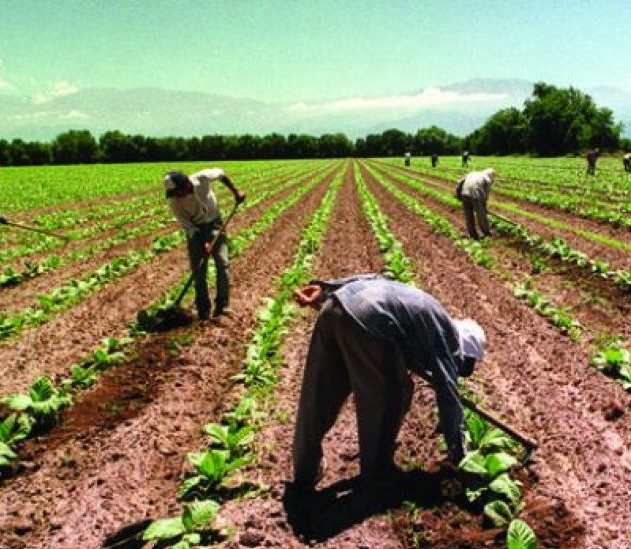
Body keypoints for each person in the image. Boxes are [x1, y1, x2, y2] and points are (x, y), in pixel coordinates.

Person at [290, 274, 486, 493]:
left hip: (334, 306)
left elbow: (376, 278)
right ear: (464, 350)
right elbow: (448, 393)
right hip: (368, 320)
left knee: (320, 393)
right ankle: (377, 471)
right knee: (393, 394)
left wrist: (326, 292)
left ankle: (304, 471)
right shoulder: (445, 336)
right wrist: (459, 453)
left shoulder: (426, 309)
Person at [163, 168, 245, 319]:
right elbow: (187, 225)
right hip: (195, 230)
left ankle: (222, 306)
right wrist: (203, 241)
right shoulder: (175, 202)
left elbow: (221, 174)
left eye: (177, 192)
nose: (176, 196)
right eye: (173, 194)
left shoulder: (202, 178)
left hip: (215, 224)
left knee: (223, 263)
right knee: (198, 270)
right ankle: (203, 309)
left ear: (186, 184)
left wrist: (236, 191)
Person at [454, 168, 496, 240]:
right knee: (481, 215)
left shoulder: (472, 173)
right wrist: (484, 207)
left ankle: (472, 234)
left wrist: (458, 194)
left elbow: (459, 182)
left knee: (468, 215)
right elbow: (485, 195)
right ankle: (486, 232)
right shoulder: (487, 179)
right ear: (491, 175)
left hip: (464, 194)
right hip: (475, 194)